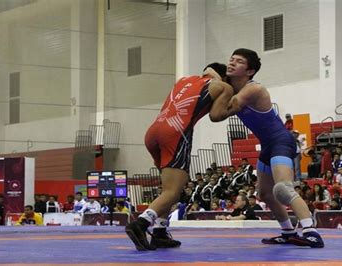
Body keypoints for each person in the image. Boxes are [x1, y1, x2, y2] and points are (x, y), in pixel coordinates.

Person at [219, 48, 324, 248]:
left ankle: (312, 232)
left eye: (239, 61)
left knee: (283, 188)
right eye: (231, 59)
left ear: (250, 71)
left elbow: (220, 113)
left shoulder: (253, 89)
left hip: (281, 141)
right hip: (268, 145)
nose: (231, 63)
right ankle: (287, 231)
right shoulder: (231, 88)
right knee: (265, 194)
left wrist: (214, 87)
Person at [125, 63, 234, 251]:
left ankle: (159, 232)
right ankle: (141, 224)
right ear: (224, 77)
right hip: (176, 133)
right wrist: (236, 105)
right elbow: (216, 115)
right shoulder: (223, 86)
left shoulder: (184, 80)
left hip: (154, 131)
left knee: (167, 189)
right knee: (173, 191)